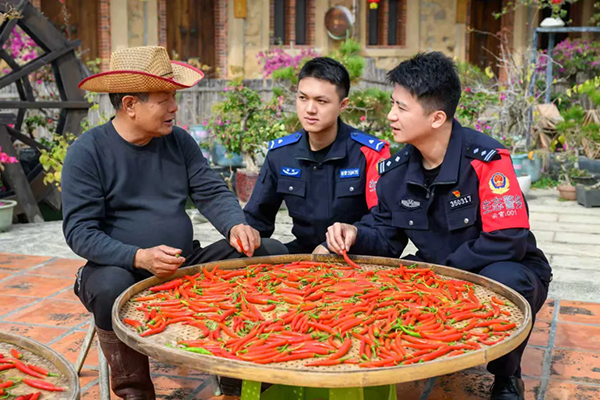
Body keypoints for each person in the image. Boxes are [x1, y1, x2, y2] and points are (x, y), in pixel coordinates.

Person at [320, 52, 552, 400]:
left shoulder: (486, 160)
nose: (391, 115)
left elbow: (508, 240)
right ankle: (416, 350)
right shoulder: (395, 172)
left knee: (508, 280)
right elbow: (387, 237)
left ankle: (507, 376)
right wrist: (355, 232)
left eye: (401, 107)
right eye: (392, 104)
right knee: (378, 286)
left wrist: (444, 272)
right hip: (437, 272)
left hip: (499, 268)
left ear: (437, 117)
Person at [62, 46, 286, 399]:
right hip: (118, 268)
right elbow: (80, 232)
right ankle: (135, 391)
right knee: (109, 288)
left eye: (174, 97)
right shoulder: (87, 152)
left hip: (181, 262)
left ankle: (238, 378)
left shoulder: (178, 141)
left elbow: (211, 191)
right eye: (164, 99)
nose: (174, 107)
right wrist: (138, 256)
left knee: (266, 252)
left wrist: (235, 225)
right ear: (130, 104)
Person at [244, 57, 390, 254]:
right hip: (303, 256)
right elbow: (256, 219)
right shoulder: (281, 153)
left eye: (321, 101)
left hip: (355, 255)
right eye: (303, 98)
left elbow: (383, 224)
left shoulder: (369, 153)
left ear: (343, 104)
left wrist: (340, 242)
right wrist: (241, 234)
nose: (310, 109)